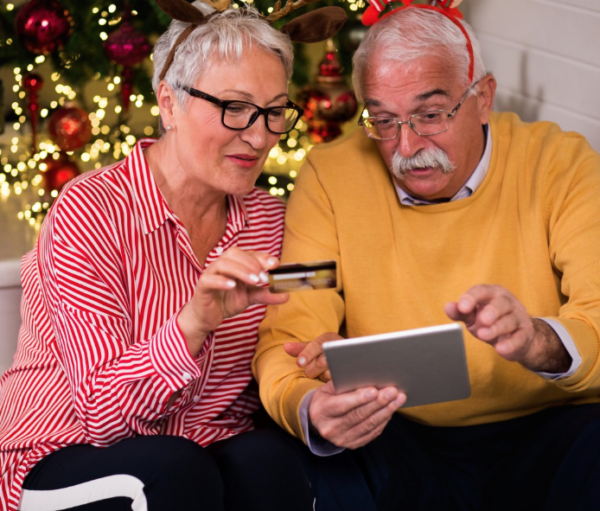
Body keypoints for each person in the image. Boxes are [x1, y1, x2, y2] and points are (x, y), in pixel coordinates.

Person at [253, 3, 600, 510]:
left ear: (482, 97)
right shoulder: (330, 176)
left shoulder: (559, 164)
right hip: (399, 433)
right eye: (384, 120)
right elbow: (287, 336)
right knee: (310, 456)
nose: (406, 146)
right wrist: (309, 407)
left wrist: (537, 341)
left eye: (431, 114)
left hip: (551, 429)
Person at [0, 0, 346, 509]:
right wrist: (194, 323)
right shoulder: (90, 211)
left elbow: (294, 326)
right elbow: (102, 416)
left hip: (205, 445)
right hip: (65, 450)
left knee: (269, 461)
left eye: (274, 112)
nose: (259, 136)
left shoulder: (272, 221)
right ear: (168, 102)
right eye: (234, 107)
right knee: (174, 470)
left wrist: (319, 354)